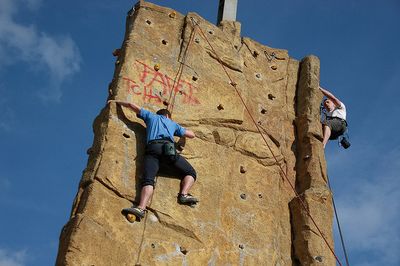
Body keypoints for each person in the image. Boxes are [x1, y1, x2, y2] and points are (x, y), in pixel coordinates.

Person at [108, 99, 198, 218]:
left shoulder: (151, 117)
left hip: (152, 149)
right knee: (190, 172)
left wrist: (116, 101)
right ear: (167, 116)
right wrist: (181, 137)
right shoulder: (173, 124)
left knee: (148, 180)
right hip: (168, 150)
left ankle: (141, 208)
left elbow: (131, 105)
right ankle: (184, 195)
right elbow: (192, 134)